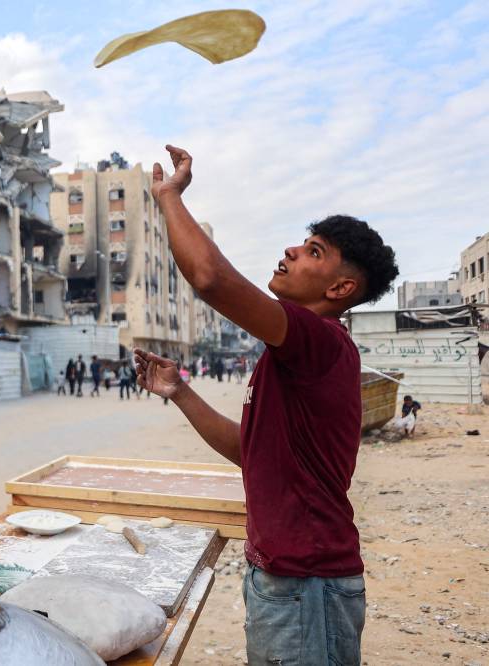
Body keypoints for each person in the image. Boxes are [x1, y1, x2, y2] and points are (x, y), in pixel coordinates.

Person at [134, 145, 398, 666]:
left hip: (309, 585)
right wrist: (181, 392)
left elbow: (211, 280)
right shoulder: (291, 354)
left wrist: (168, 197)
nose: (293, 251)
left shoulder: (318, 338)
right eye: (304, 242)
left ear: (341, 287)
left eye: (314, 251)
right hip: (286, 579)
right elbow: (251, 451)